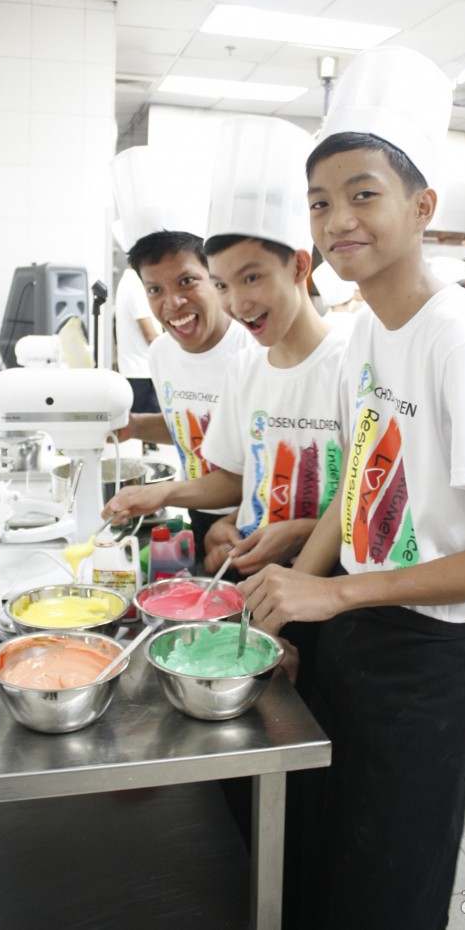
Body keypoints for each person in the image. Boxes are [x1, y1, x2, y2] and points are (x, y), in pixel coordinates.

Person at [238, 47, 465, 930]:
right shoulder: (364, 332)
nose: (338, 218)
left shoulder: (461, 339)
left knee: (393, 886)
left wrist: (336, 593)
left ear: (422, 207)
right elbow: (359, 482)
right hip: (357, 627)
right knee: (334, 856)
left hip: (426, 660)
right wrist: (294, 599)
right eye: (320, 202)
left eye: (362, 193)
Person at [105, 115, 348, 588]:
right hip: (247, 560)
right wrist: (215, 518)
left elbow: (365, 495)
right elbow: (239, 474)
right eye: (224, 284)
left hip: (329, 584)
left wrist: (299, 535)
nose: (238, 302)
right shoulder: (247, 366)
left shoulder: (353, 359)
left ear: (300, 266)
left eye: (252, 277)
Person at [119, 227, 251, 559]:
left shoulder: (251, 349)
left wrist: (163, 494)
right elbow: (187, 427)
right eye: (155, 289)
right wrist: (134, 426)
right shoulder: (161, 352)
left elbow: (255, 465)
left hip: (253, 519)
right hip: (199, 511)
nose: (173, 302)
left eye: (186, 282)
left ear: (215, 279)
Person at [114, 264, 160, 413]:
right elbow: (150, 335)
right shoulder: (136, 285)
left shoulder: (127, 281)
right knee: (152, 431)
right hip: (143, 372)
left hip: (136, 371)